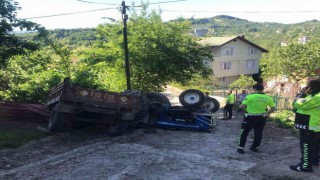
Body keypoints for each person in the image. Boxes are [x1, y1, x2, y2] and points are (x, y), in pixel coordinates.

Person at [289, 78, 320, 172]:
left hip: (310, 125)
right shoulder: (313, 96)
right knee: (314, 145)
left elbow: (297, 105)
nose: (306, 87)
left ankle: (305, 166)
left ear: (312, 87)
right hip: (311, 125)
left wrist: (302, 94)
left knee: (306, 146)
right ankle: (312, 161)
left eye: (308, 86)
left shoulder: (317, 97)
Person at [237, 83, 275, 154]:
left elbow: (241, 106)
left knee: (244, 133)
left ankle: (241, 148)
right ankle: (254, 147)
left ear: (254, 89)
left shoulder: (250, 96)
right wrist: (267, 113)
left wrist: (245, 109)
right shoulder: (268, 98)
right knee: (258, 133)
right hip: (261, 118)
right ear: (262, 89)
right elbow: (273, 108)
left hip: (250, 117)